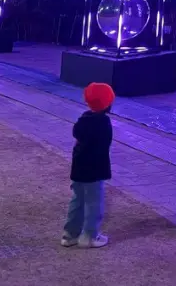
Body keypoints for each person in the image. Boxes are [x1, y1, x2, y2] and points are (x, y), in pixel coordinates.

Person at [61, 82, 115, 249]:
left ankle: (70, 234)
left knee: (77, 200)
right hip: (95, 169)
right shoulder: (103, 122)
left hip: (79, 167)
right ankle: (89, 236)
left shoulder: (83, 119)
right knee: (93, 203)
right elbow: (105, 144)